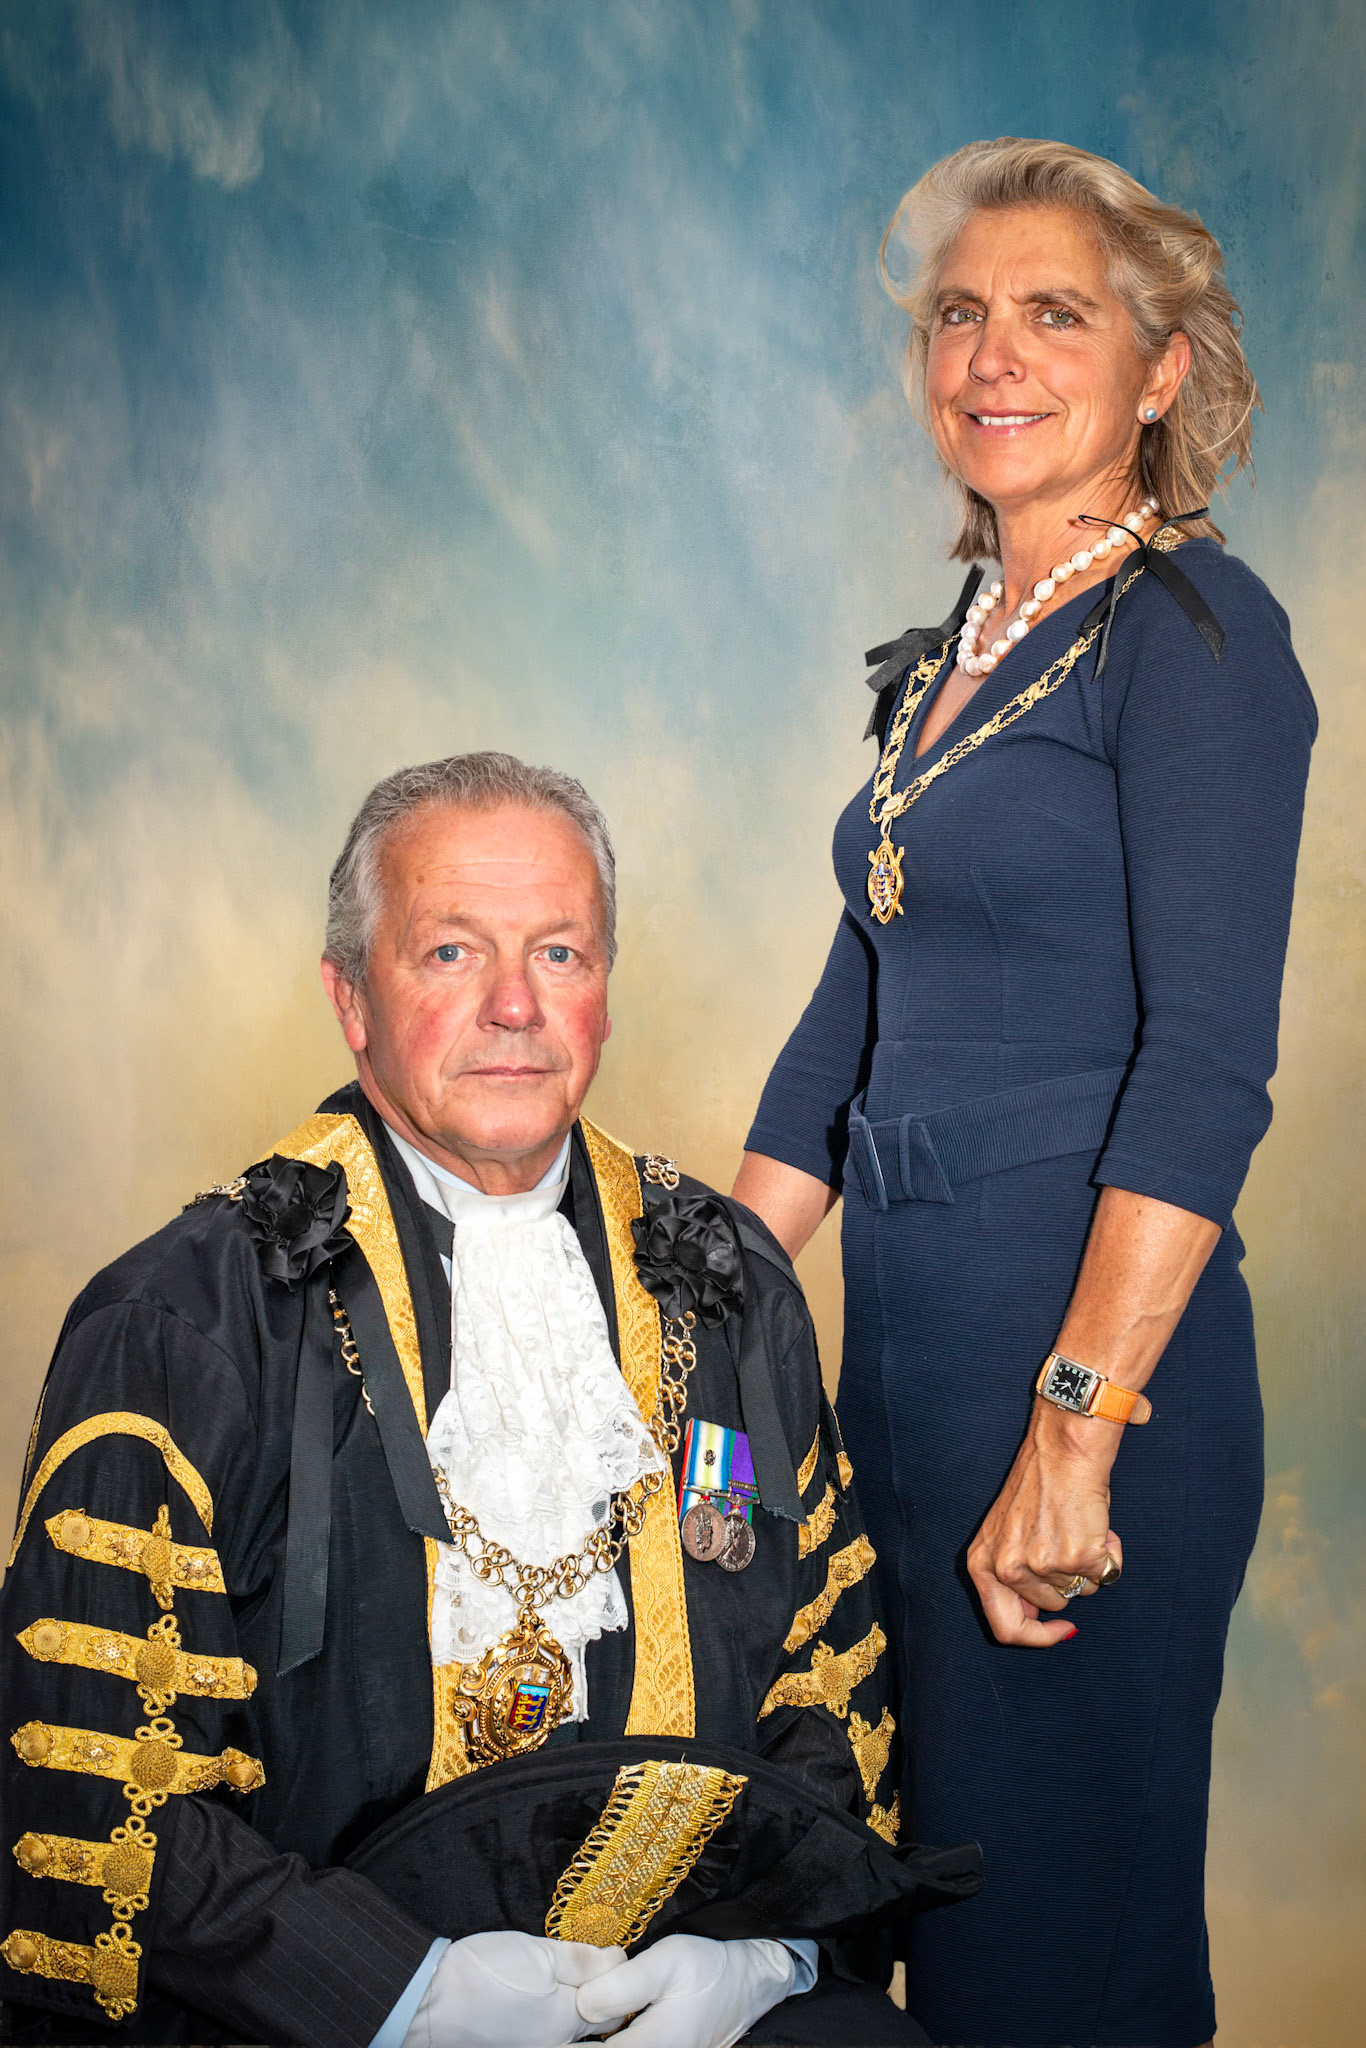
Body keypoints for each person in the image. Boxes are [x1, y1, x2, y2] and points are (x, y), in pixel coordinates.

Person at [1, 752, 977, 2048]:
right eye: (451, 952)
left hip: (680, 1989)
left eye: (559, 954)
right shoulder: (183, 1328)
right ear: (351, 999)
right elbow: (104, 1796)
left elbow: (813, 1670)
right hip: (306, 2008)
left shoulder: (728, 1290)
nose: (515, 1005)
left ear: (605, 991)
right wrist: (405, 1997)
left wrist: (763, 1957)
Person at [735, 138, 1316, 2048]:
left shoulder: (1196, 643)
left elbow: (1205, 1071)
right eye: (959, 317)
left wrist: (1075, 1431)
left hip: (1082, 1387)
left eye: (1053, 314)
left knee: (1049, 1968)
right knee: (869, 1926)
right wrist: (696, 1298)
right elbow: (847, 1025)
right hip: (898, 1378)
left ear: (1158, 371)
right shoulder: (948, 666)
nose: (992, 355)